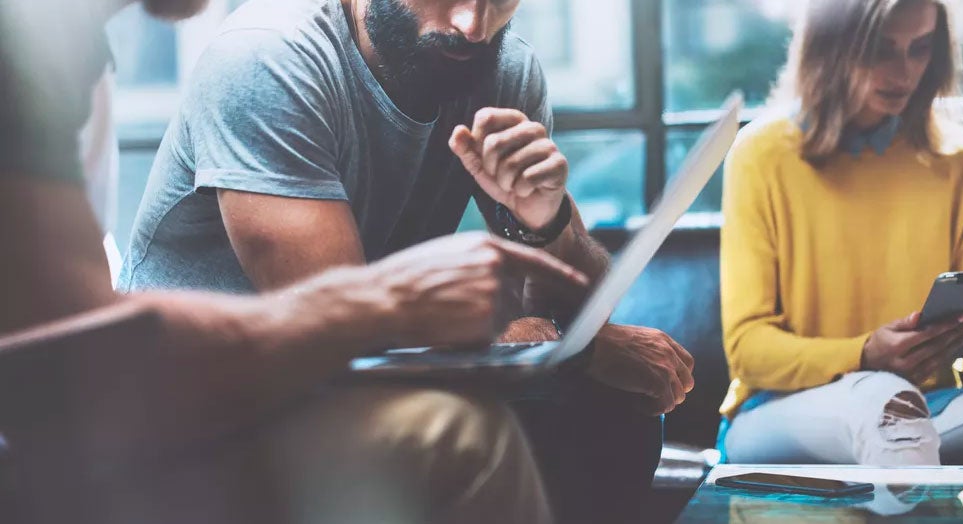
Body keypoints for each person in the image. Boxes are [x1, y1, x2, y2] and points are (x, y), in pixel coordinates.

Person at [0, 0, 614, 522]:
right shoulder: (265, 52)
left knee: (599, 409)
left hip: (194, 397)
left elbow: (62, 345)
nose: (472, 23)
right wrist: (554, 343)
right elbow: (71, 371)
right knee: (457, 435)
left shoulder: (58, 43)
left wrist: (549, 222)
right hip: (200, 401)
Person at [719, 0, 963, 467]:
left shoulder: (959, 162)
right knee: (887, 406)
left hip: (927, 406)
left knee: (901, 411)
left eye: (920, 48)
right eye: (882, 49)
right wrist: (865, 355)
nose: (903, 71)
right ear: (830, 48)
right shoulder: (760, 155)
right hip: (772, 412)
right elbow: (749, 352)